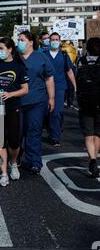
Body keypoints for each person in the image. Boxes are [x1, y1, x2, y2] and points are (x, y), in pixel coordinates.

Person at [0, 37, 29, 186]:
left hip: (13, 107)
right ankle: (4, 173)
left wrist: (10, 94)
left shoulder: (18, 66)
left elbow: (25, 89)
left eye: (1, 49)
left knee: (14, 141)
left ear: (10, 49)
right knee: (0, 141)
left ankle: (13, 163)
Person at [17, 31, 55, 175]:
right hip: (18, 102)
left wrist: (51, 98)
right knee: (18, 132)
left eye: (22, 39)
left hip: (37, 101)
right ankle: (17, 156)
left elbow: (49, 78)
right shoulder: (15, 57)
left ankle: (35, 162)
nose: (19, 42)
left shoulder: (41, 57)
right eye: (18, 39)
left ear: (31, 42)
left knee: (34, 130)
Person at [43, 33, 76, 147]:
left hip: (60, 87)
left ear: (60, 41)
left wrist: (75, 85)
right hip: (45, 87)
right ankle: (52, 131)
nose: (54, 41)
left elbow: (69, 71)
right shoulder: (44, 54)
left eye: (56, 39)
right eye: (52, 39)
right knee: (48, 111)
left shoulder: (64, 54)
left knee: (57, 112)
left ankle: (55, 136)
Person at [76, 37, 100, 178]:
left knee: (88, 134)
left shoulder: (81, 61)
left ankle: (92, 159)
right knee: (98, 133)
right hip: (99, 102)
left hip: (85, 101)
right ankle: (95, 160)